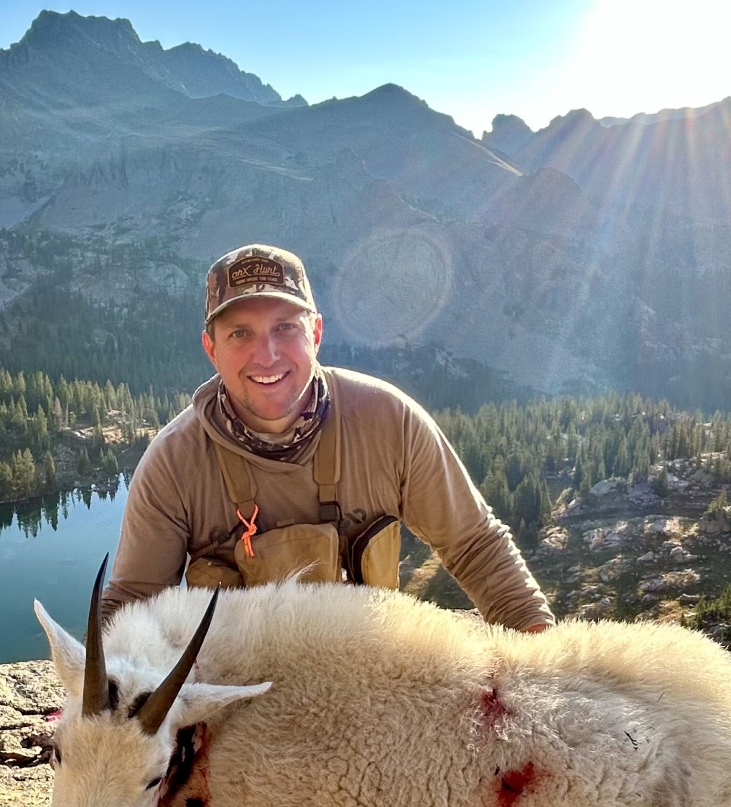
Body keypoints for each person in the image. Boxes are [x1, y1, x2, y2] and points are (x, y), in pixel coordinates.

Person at [102, 242, 554, 633]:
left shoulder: (388, 422)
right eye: (241, 333)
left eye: (285, 327)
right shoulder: (174, 462)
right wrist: (93, 699)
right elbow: (132, 604)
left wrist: (544, 660)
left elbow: (475, 546)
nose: (268, 355)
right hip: (233, 703)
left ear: (315, 333)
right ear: (211, 348)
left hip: (368, 685)